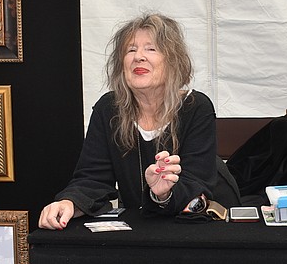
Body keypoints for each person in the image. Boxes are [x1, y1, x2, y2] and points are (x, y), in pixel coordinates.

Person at [38, 13, 239, 230]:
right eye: (131, 50)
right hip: (145, 227)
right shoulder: (109, 109)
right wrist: (69, 202)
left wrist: (163, 193)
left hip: (204, 221)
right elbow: (92, 178)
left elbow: (197, 185)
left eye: (151, 49)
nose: (138, 57)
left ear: (173, 61)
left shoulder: (196, 106)